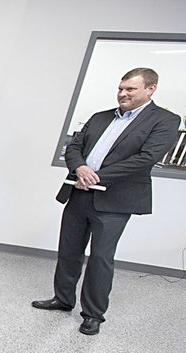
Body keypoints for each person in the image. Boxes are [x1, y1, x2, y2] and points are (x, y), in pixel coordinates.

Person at [32, 67, 180, 335]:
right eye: (120, 88)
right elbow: (74, 147)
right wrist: (80, 169)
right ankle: (63, 299)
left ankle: (93, 314)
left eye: (130, 89)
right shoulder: (100, 117)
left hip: (115, 201)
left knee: (101, 257)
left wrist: (95, 176)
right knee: (68, 251)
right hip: (79, 193)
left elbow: (145, 158)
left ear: (150, 89)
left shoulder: (165, 120)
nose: (122, 94)